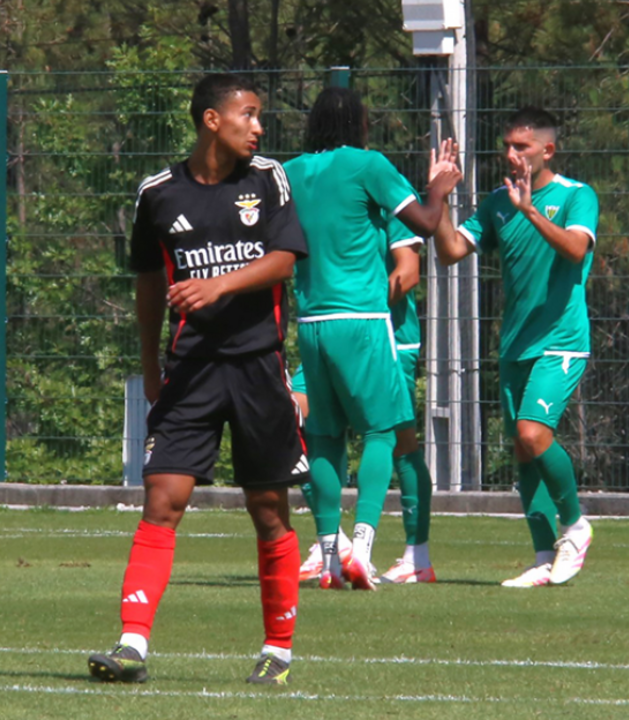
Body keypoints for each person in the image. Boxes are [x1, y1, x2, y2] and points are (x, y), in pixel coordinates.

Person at [87, 73, 309, 686]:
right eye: (249, 114)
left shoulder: (267, 178)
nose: (258, 126)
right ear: (212, 120)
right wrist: (150, 365)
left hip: (259, 366)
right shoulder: (157, 194)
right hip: (190, 371)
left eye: (259, 115)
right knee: (162, 499)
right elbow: (149, 282)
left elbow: (284, 260)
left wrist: (218, 285)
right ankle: (131, 645)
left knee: (268, 509)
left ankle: (278, 651)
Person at [282, 87, 460, 590]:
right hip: (361, 319)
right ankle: (360, 547)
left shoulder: (290, 173)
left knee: (324, 437)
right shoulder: (370, 166)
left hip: (311, 323)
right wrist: (439, 189)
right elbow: (426, 223)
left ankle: (332, 556)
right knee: (382, 433)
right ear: (360, 124)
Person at [432, 107, 596, 588]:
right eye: (506, 145)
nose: (511, 154)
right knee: (524, 453)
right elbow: (450, 251)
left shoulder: (576, 196)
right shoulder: (497, 202)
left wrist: (530, 211)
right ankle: (544, 558)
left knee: (532, 433)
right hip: (515, 346)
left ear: (548, 150)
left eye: (521, 146)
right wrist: (438, 198)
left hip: (561, 341)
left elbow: (576, 250)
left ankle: (576, 526)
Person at [291, 215, 436, 585]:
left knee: (400, 442)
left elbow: (408, 273)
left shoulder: (391, 201)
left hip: (387, 337)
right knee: (294, 420)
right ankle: (334, 543)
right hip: (330, 329)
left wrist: (359, 308)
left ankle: (416, 555)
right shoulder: (325, 194)